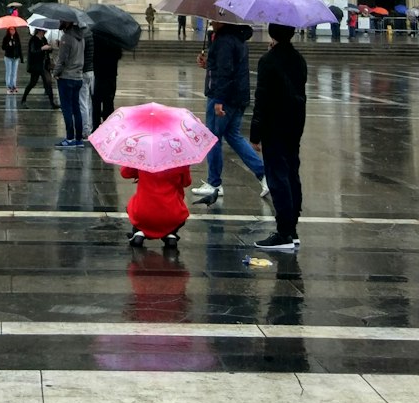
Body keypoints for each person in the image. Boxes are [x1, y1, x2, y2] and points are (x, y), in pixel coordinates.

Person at [193, 21, 267, 208]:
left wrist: (219, 99)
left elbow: (225, 72)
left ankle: (214, 183)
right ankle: (263, 174)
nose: (210, 22)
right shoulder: (237, 38)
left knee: (212, 138)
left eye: (214, 19)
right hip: (237, 96)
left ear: (222, 21)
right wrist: (207, 64)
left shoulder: (225, 40)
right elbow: (225, 67)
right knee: (233, 136)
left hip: (224, 97)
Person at [250, 22, 308, 252]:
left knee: (277, 177)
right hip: (295, 124)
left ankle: (283, 232)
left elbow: (262, 98)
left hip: (274, 125)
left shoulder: (268, 61)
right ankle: (292, 230)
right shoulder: (299, 59)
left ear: (272, 34)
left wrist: (255, 132)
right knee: (292, 173)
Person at [123, 161, 192, 251]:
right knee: (179, 211)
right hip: (171, 214)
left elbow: (125, 173)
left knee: (133, 204)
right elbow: (186, 183)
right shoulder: (179, 161)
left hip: (143, 213)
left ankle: (138, 231)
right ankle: (171, 234)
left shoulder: (143, 159)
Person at [53, 20, 85, 146]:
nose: (59, 22)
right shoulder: (81, 37)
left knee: (67, 108)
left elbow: (62, 59)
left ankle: (70, 138)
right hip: (78, 77)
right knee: (76, 109)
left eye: (61, 21)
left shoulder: (66, 37)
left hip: (66, 77)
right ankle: (78, 139)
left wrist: (55, 72)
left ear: (67, 23)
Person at [91, 31, 124, 127]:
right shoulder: (115, 38)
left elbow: (93, 55)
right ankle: (108, 126)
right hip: (111, 74)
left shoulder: (96, 36)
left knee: (96, 103)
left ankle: (96, 126)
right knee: (109, 102)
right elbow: (119, 55)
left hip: (99, 74)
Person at [20, 28, 57, 107]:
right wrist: (42, 48)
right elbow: (33, 51)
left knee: (48, 83)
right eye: (43, 31)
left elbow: (47, 51)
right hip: (36, 66)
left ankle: (52, 103)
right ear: (39, 31)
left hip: (44, 65)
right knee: (32, 83)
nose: (44, 33)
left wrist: (50, 48)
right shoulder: (33, 40)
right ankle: (23, 99)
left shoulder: (44, 39)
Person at [1, 23, 22, 90]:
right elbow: (3, 47)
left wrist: (21, 57)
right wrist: (8, 45)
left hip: (16, 57)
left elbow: (19, 47)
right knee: (9, 72)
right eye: (11, 29)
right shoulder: (6, 38)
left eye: (13, 29)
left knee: (14, 72)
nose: (12, 31)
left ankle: (13, 85)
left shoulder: (17, 38)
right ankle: (8, 85)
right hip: (8, 57)